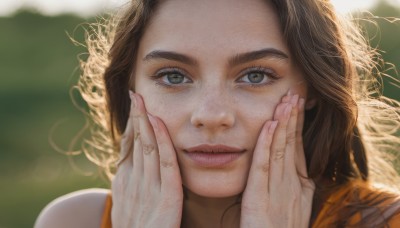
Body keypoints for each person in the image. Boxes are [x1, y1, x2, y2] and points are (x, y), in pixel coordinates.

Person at [35, 0, 400, 227]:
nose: (211, 116)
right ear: (131, 90)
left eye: (255, 75)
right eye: (173, 76)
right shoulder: (73, 222)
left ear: (312, 90)